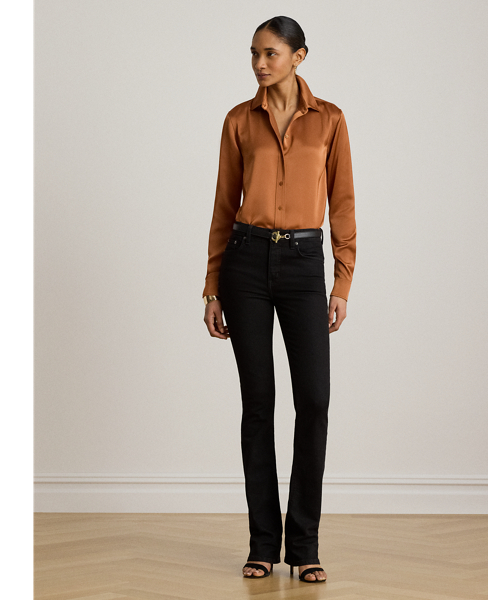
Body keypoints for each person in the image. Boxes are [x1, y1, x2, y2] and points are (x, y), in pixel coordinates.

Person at [202, 15, 356, 584]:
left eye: (270, 53)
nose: (259, 64)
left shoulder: (330, 120)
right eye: (254, 53)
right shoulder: (238, 120)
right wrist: (212, 284)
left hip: (303, 262)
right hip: (244, 262)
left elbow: (342, 202)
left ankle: (305, 544)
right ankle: (263, 543)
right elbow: (224, 204)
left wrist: (341, 281)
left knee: (313, 400)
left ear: (299, 56)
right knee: (258, 403)